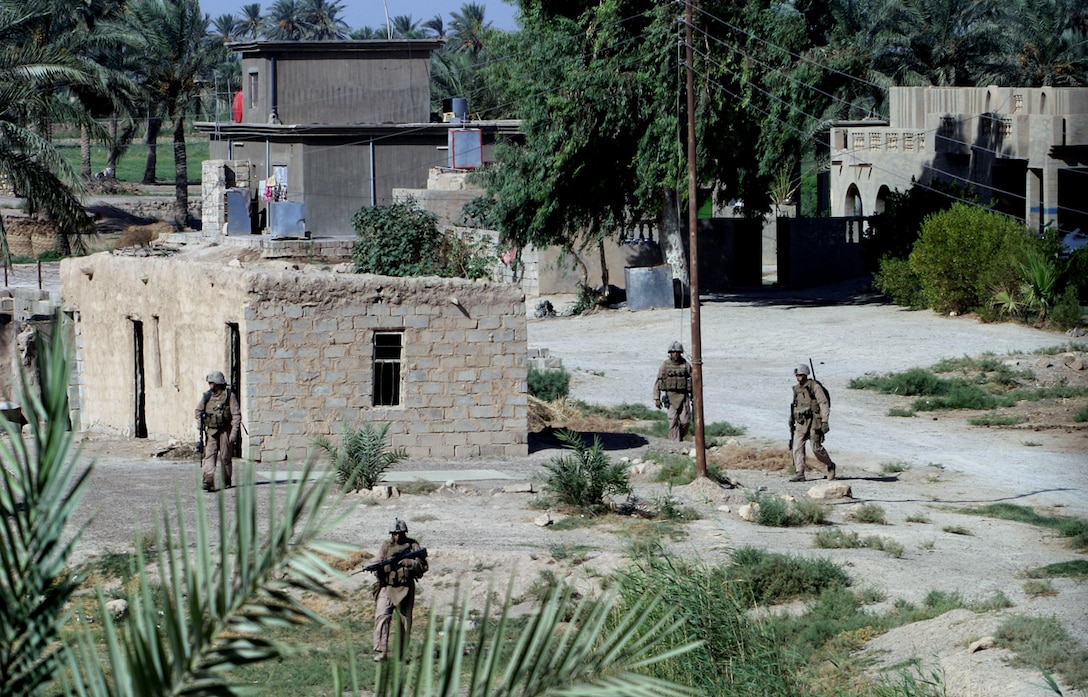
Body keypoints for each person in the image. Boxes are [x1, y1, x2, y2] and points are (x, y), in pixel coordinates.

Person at [372, 518, 428, 662]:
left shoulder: (413, 545)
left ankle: (402, 654)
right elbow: (378, 560)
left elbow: (423, 566)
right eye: (395, 534)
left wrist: (411, 563)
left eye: (400, 533)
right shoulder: (386, 545)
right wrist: (377, 566)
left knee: (405, 621)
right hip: (387, 586)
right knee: (382, 616)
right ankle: (382, 651)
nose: (397, 536)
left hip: (406, 587)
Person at [789, 363, 836, 482]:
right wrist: (791, 418)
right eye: (797, 375)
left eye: (800, 375)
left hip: (815, 421)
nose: (798, 377)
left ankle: (830, 465)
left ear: (805, 375)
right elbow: (795, 404)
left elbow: (823, 403)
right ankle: (800, 472)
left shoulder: (814, 387)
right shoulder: (797, 389)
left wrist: (825, 421)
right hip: (801, 422)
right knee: (797, 446)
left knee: (816, 448)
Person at [195, 370, 241, 492]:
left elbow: (236, 415)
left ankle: (227, 479)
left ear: (218, 383)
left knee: (225, 457)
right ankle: (208, 481)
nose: (210, 385)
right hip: (211, 431)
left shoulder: (230, 395)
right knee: (209, 456)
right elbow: (198, 411)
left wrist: (234, 432)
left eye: (211, 383)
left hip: (225, 430)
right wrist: (199, 424)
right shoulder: (207, 396)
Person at [653, 341, 693, 441]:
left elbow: (693, 381)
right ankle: (674, 442)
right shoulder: (665, 365)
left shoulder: (686, 365)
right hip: (670, 397)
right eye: (673, 352)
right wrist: (657, 398)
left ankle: (680, 437)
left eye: (677, 352)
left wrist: (694, 397)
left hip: (683, 396)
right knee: (673, 420)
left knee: (685, 421)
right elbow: (658, 381)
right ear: (670, 353)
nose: (675, 354)